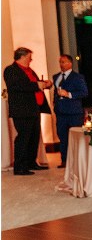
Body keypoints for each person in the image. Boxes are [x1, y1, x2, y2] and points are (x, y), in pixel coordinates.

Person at [3, 47, 52, 175]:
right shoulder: (10, 70)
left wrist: (44, 84)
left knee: (34, 137)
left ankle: (31, 162)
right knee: (23, 138)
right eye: (29, 57)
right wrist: (37, 85)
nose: (31, 59)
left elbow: (34, 84)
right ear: (23, 56)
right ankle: (19, 166)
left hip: (34, 108)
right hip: (22, 109)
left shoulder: (29, 70)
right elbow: (17, 86)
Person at [52, 54, 88, 168]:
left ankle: (78, 160)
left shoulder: (78, 77)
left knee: (76, 136)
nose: (61, 64)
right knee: (62, 136)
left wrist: (69, 94)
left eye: (63, 62)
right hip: (60, 111)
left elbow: (84, 92)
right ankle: (64, 160)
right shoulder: (56, 77)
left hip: (74, 112)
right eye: (60, 62)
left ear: (70, 63)